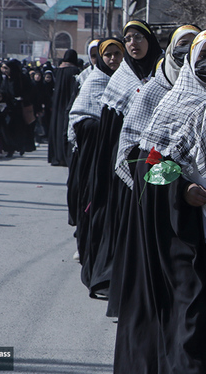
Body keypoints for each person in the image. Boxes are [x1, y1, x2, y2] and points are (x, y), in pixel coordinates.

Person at [106, 24, 199, 320]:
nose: (186, 50)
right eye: (181, 44)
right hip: (156, 195)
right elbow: (134, 151)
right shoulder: (154, 91)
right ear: (170, 49)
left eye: (193, 43)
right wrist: (175, 182)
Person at [80, 20, 162, 299]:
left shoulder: (164, 75)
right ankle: (112, 279)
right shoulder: (120, 80)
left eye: (139, 37)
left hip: (155, 160)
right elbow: (108, 130)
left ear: (150, 40)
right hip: (122, 163)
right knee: (121, 220)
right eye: (128, 38)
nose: (133, 43)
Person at [67, 38, 124, 255]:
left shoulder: (129, 80)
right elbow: (79, 117)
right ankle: (88, 246)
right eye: (107, 55)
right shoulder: (94, 81)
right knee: (91, 200)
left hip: (120, 155)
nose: (112, 59)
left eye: (116, 54)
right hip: (94, 155)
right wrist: (105, 127)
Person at [48, 49, 81, 166]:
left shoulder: (58, 70)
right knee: (65, 128)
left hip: (57, 103)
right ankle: (65, 156)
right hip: (69, 103)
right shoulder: (75, 71)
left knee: (56, 127)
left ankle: (56, 156)